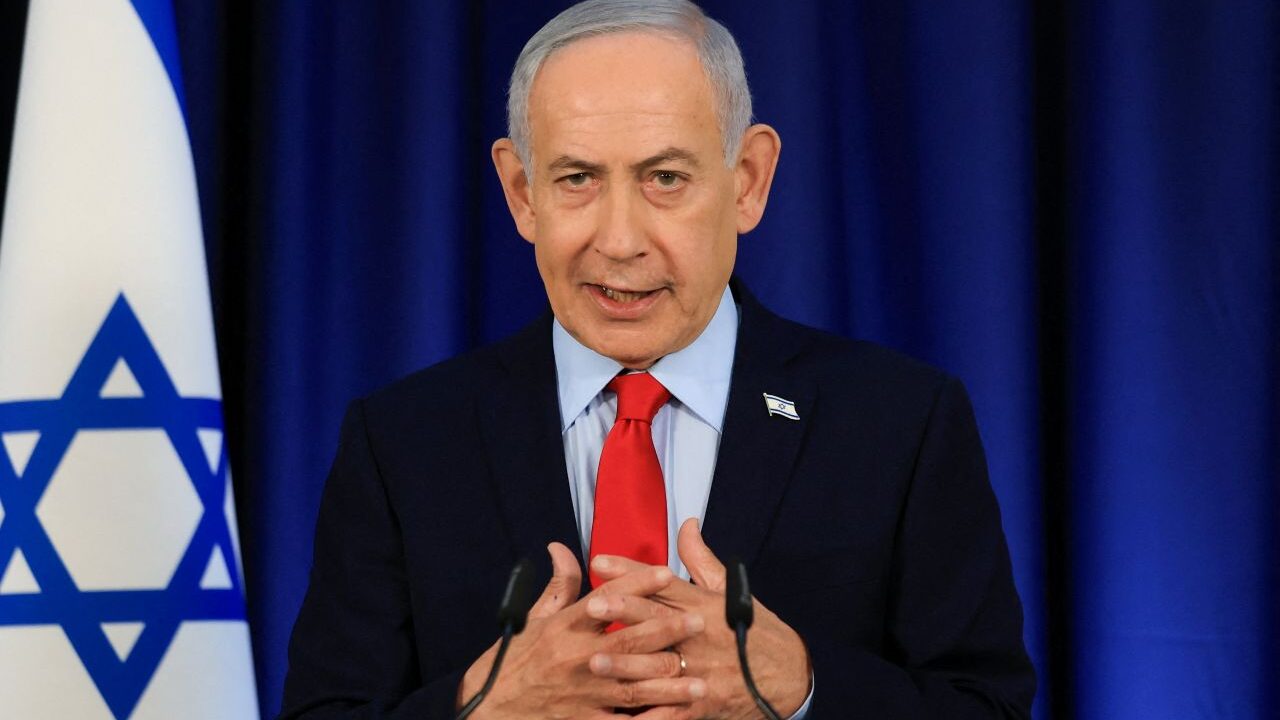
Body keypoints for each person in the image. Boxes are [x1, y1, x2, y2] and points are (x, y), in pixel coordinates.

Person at [279, 1, 1036, 718]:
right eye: (578, 178)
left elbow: (989, 705)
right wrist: (484, 704)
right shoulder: (404, 440)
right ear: (521, 192)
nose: (619, 239)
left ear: (748, 182)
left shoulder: (899, 422)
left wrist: (802, 687)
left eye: (665, 178)